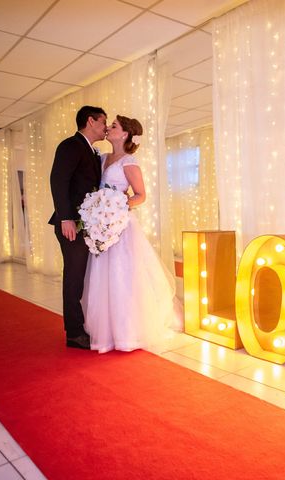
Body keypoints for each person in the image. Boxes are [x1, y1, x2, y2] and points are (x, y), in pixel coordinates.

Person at [82, 115, 182, 353]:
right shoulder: (103, 158)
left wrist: (116, 206)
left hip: (121, 226)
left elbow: (140, 195)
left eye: (113, 126)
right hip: (103, 226)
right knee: (102, 277)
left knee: (123, 276)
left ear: (125, 134)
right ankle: (106, 330)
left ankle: (129, 332)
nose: (108, 128)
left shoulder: (129, 161)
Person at [49, 105, 107, 349]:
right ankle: (73, 332)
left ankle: (82, 324)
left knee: (81, 278)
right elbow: (58, 180)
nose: (106, 127)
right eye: (103, 122)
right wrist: (66, 218)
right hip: (71, 223)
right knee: (73, 278)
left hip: (87, 225)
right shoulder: (70, 145)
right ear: (91, 121)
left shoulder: (92, 152)